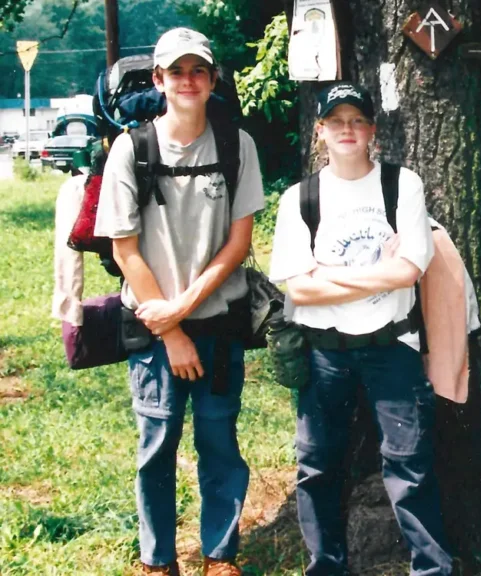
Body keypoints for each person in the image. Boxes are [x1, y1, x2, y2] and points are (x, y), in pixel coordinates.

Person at [94, 28, 264, 576]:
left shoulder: (237, 145)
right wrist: (171, 331)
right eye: (176, 71)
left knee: (220, 440)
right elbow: (125, 251)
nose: (187, 80)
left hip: (216, 322)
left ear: (213, 80)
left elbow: (239, 242)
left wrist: (187, 308)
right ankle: (157, 560)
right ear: (159, 80)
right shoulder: (132, 148)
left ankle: (219, 556)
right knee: (157, 445)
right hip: (153, 330)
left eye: (199, 71)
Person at [269, 82, 453, 576]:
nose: (346, 130)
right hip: (324, 353)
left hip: (391, 346)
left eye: (357, 121)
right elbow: (296, 289)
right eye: (336, 121)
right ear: (321, 130)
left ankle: (433, 570)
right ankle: (326, 568)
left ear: (372, 129)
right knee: (318, 467)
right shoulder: (300, 197)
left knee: (410, 465)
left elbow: (407, 271)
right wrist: (363, 275)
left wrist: (324, 274)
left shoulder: (402, 184)